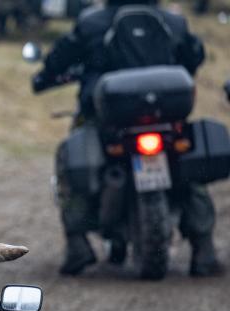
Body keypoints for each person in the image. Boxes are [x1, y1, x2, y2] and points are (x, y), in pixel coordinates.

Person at [33, 0, 220, 276]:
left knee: (71, 159)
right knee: (188, 172)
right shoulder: (174, 22)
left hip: (107, 120)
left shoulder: (91, 23)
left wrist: (43, 78)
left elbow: (60, 58)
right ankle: (203, 247)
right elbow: (194, 57)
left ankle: (77, 244)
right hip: (164, 115)